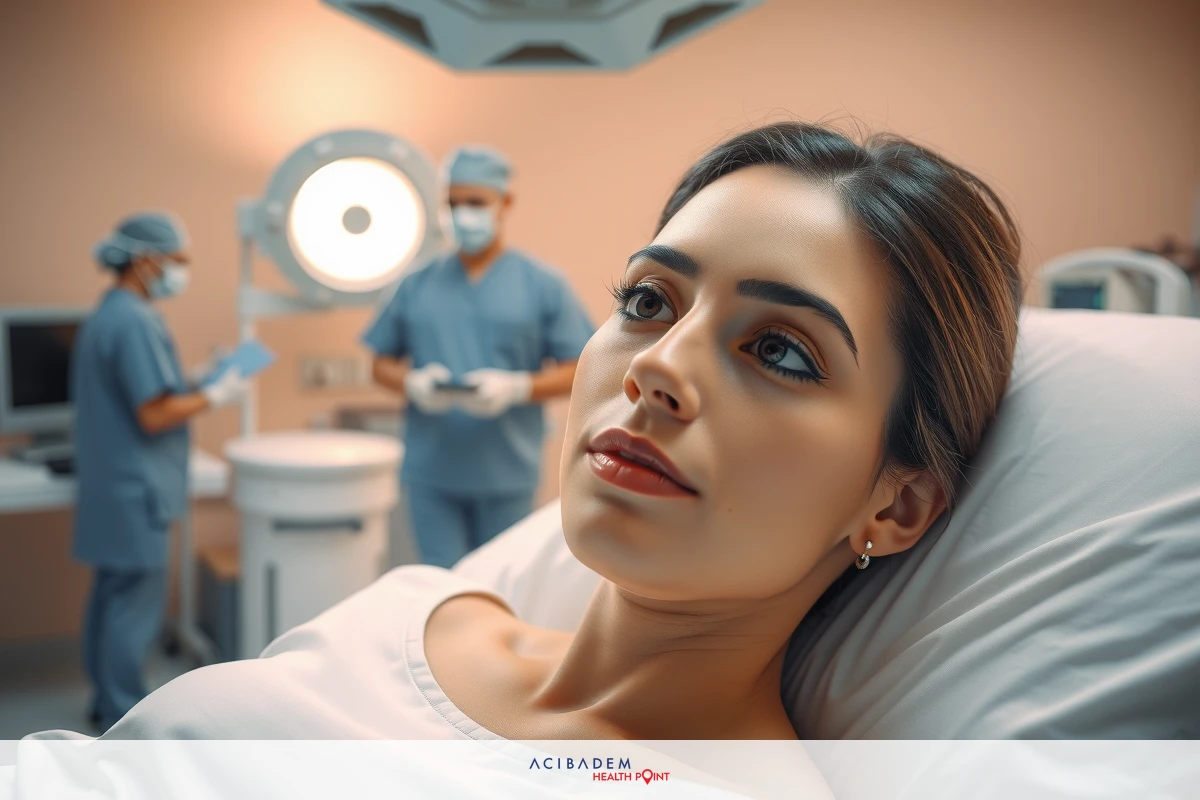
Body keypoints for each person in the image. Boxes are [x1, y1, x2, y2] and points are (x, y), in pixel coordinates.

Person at [46, 121, 1020, 746]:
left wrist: (513, 384)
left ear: (895, 505)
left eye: (781, 351)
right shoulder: (416, 608)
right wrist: (416, 380)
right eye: (647, 300)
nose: (656, 366)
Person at [362, 145, 595, 569]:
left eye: (475, 202)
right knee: (440, 582)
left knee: (499, 581)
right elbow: (379, 363)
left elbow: (581, 367)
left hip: (506, 469)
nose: (463, 214)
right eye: (453, 204)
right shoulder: (416, 284)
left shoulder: (542, 284)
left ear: (505, 202)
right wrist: (412, 383)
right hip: (432, 469)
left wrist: (518, 387)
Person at [71, 212, 249, 731]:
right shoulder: (134, 321)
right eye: (177, 260)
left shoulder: (111, 313)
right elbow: (153, 414)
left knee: (111, 598)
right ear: (146, 261)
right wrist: (214, 395)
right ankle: (124, 714)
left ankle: (106, 699)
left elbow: (146, 390)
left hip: (113, 485)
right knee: (132, 607)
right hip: (137, 489)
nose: (180, 271)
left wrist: (197, 380)